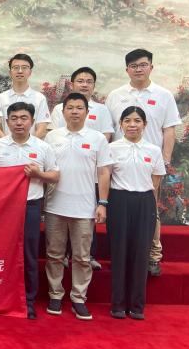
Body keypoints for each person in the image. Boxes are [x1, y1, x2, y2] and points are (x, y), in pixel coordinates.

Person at [105, 49, 182, 277]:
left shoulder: (163, 95)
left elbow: (169, 130)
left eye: (143, 65)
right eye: (133, 66)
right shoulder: (115, 95)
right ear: (127, 69)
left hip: (150, 164)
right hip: (119, 164)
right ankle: (121, 256)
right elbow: (109, 130)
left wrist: (164, 161)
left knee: (151, 211)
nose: (138, 69)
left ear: (151, 67)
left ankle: (152, 256)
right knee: (119, 213)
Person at [0, 102, 59, 319]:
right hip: (4, 208)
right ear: (7, 122)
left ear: (32, 121)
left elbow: (55, 175)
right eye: (14, 118)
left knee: (28, 254)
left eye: (24, 118)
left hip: (31, 207)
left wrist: (39, 174)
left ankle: (28, 301)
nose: (19, 122)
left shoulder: (43, 147)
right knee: (1, 253)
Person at [44, 93, 113, 321]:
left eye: (79, 108)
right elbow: (45, 169)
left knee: (82, 257)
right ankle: (55, 295)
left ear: (87, 112)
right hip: (55, 206)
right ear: (63, 112)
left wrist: (102, 203)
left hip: (84, 207)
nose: (74, 111)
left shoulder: (97, 139)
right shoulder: (52, 137)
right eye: (70, 107)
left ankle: (78, 298)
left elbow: (103, 172)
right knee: (54, 254)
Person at [49, 67, 114, 271]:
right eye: (80, 80)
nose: (84, 84)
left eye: (89, 81)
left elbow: (106, 138)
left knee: (84, 225)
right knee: (57, 240)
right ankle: (63, 261)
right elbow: (53, 143)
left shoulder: (101, 111)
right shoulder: (58, 112)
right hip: (61, 180)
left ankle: (87, 257)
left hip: (89, 174)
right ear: (72, 84)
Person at [108, 106, 166, 320]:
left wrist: (148, 203)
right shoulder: (112, 148)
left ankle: (137, 306)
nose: (132, 125)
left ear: (145, 124)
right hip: (119, 200)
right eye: (127, 120)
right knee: (119, 252)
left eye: (137, 121)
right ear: (121, 124)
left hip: (144, 202)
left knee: (141, 253)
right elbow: (105, 177)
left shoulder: (153, 150)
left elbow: (156, 181)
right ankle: (118, 304)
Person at [0, 54, 50, 139]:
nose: (20, 71)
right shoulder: (0, 98)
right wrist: (7, 144)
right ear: (10, 72)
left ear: (30, 72)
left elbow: (42, 127)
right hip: (6, 146)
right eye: (16, 68)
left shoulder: (40, 98)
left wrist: (29, 143)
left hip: (32, 146)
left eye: (24, 67)